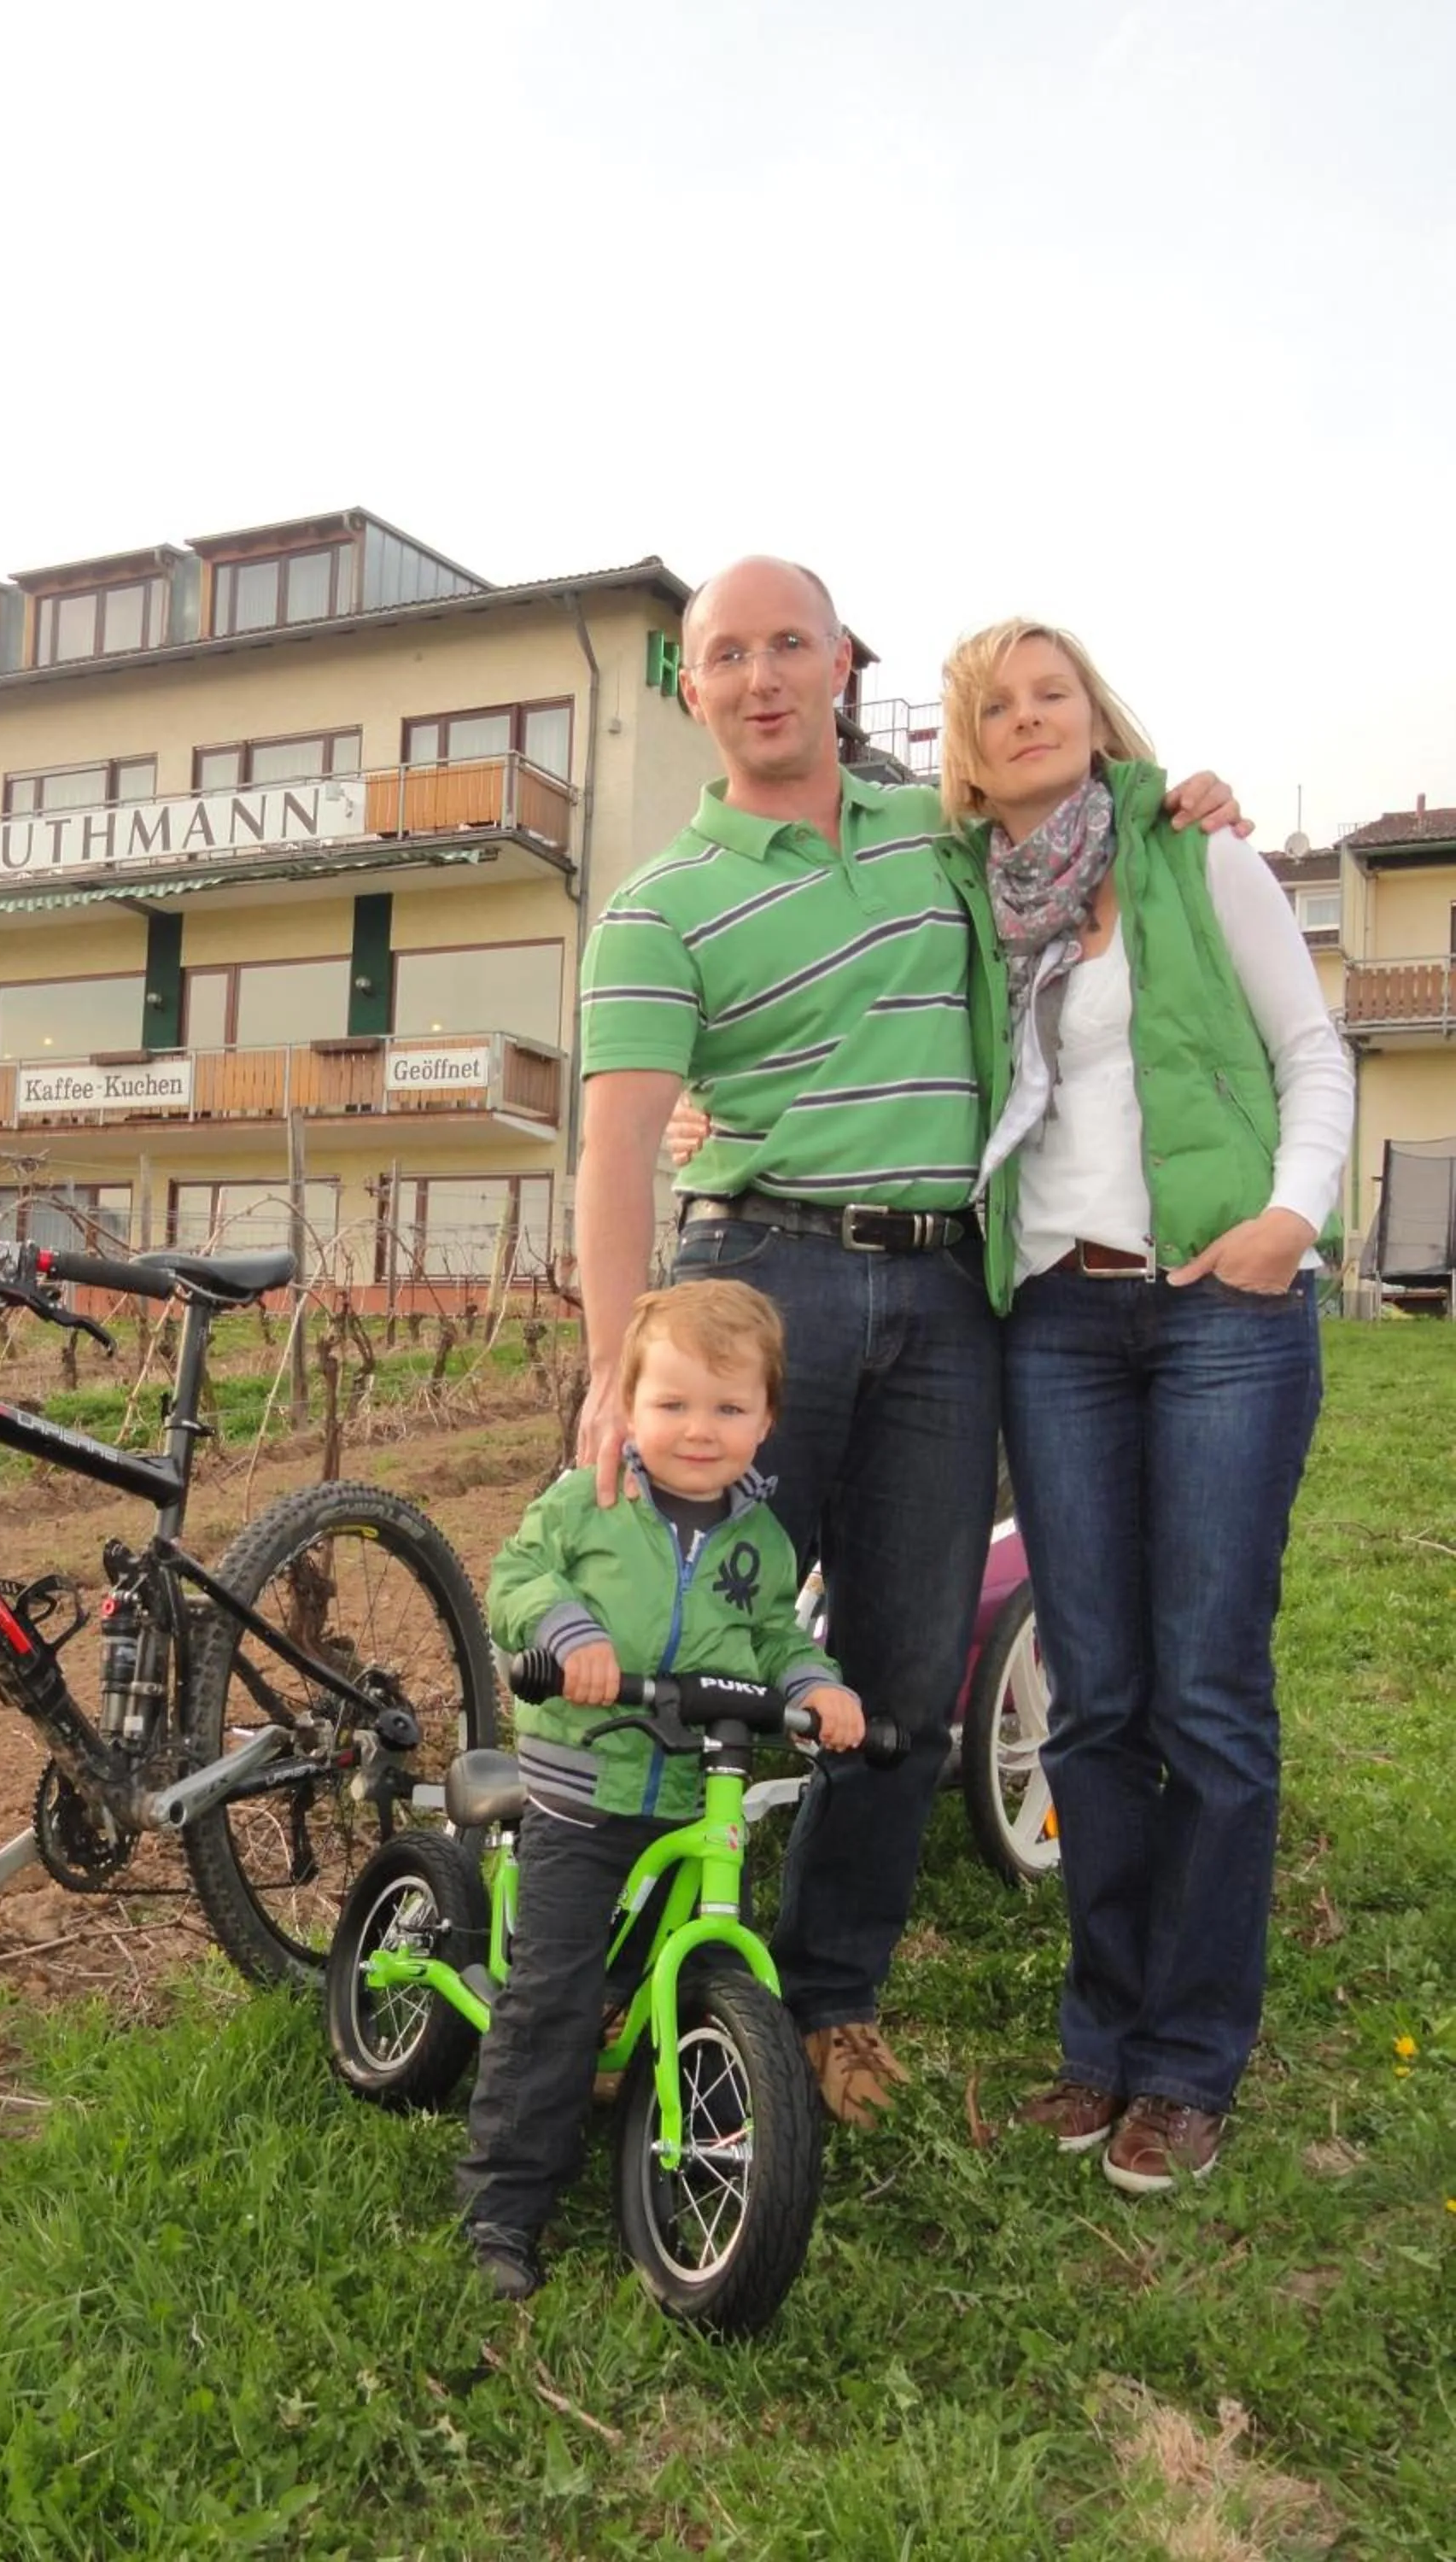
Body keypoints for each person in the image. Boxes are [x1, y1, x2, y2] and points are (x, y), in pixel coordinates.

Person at [576, 555, 1241, 2132]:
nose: (759, 677)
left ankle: (828, 2002)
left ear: (840, 663)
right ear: (693, 692)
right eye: (725, 655)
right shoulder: (659, 906)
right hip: (758, 1283)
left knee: (904, 1682)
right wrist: (617, 1368)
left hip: (949, 1300)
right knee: (686, 1642)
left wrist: (1174, 806)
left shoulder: (929, 835)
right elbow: (613, 1155)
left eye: (787, 644)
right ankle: (613, 1979)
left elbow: (1061, 821)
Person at [937, 618, 1352, 2190]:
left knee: (1208, 1694)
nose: (1029, 716)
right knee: (1095, 1695)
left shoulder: (1198, 860)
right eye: (996, 704)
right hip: (1054, 1319)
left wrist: (1294, 1216)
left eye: (1053, 692)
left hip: (1219, 1314)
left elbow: (1313, 1055)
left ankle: (1190, 2064)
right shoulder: (966, 906)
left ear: (1094, 715)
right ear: (966, 753)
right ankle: (1100, 2040)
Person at [459, 1278, 862, 2299]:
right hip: (584, 1782)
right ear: (627, 1407)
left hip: (693, 1790)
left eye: (729, 1409)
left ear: (768, 1421)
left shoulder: (763, 1544)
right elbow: (516, 1579)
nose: (699, 1430)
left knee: (665, 1970)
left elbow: (775, 1639)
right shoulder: (587, 1502)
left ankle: (706, 2125)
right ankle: (502, 2208)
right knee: (552, 1996)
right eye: (674, 1405)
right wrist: (570, 1634)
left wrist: (816, 1686)